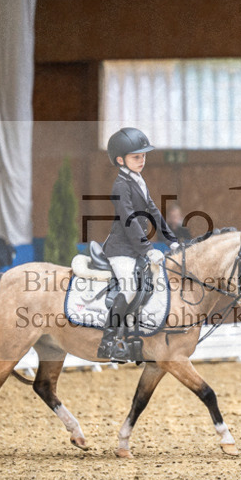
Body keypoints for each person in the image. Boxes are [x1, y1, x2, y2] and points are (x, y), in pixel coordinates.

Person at [98, 127, 178, 361]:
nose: (142, 160)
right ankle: (108, 341)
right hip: (121, 250)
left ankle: (135, 337)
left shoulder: (138, 180)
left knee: (153, 286)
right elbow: (130, 221)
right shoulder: (120, 186)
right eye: (136, 157)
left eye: (143, 156)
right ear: (120, 160)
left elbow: (153, 211)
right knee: (130, 288)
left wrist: (171, 241)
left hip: (136, 249)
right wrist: (148, 249)